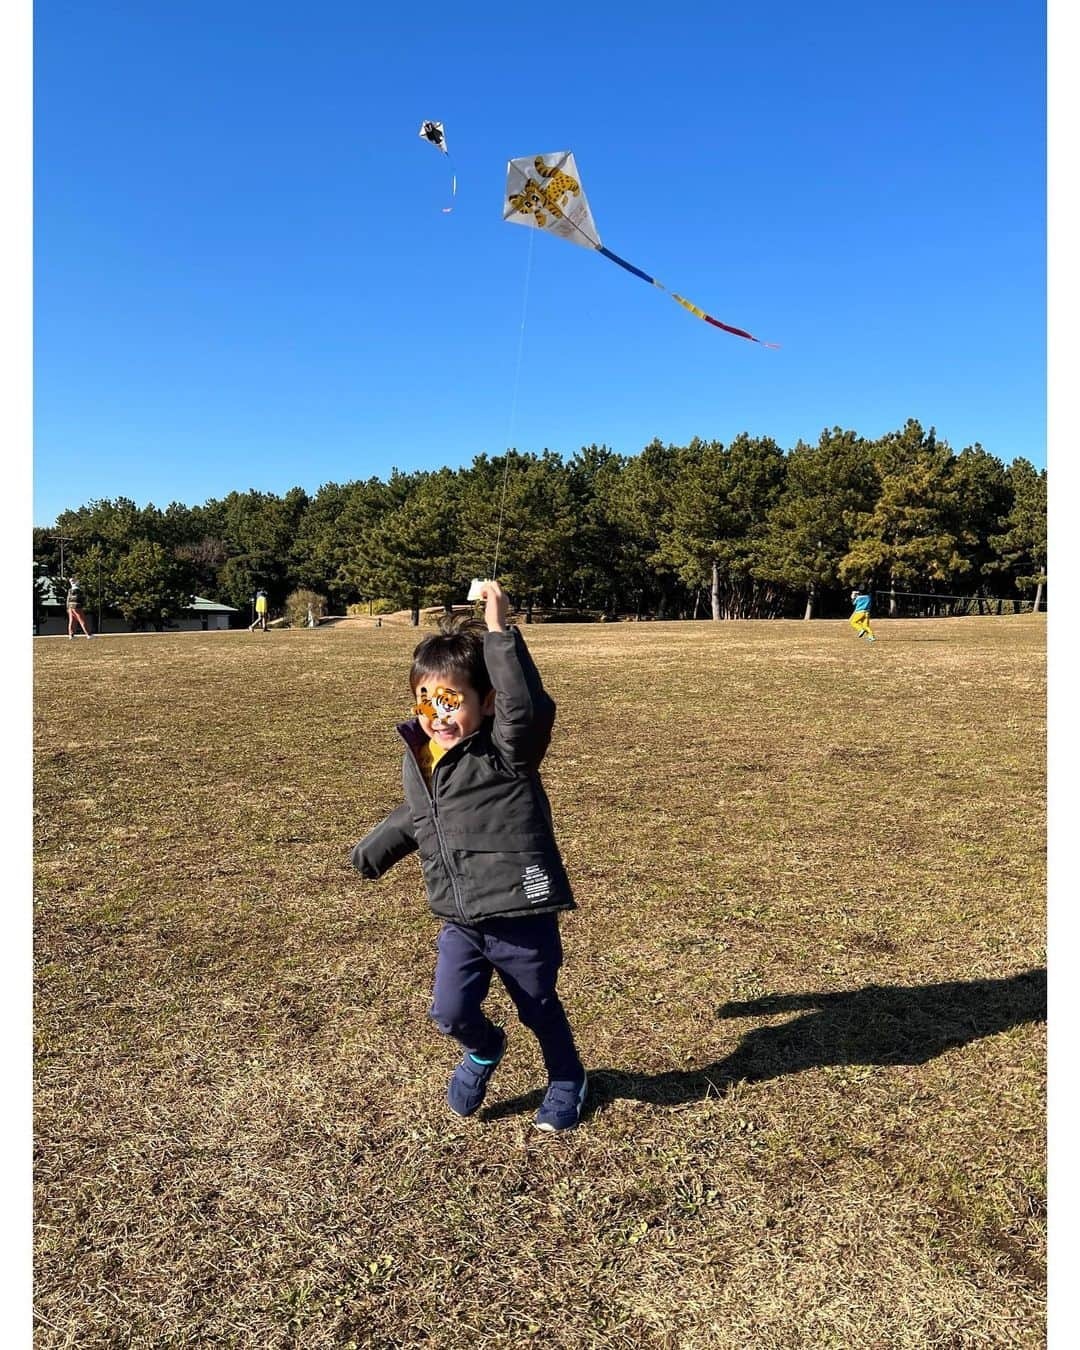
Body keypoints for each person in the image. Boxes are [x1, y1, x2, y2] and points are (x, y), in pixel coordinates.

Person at [350, 580, 587, 1132]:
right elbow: (420, 814)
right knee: (450, 1011)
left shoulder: (508, 751)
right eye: (426, 702)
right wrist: (373, 851)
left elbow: (526, 710)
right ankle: (483, 1050)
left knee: (537, 1004)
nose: (438, 715)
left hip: (519, 909)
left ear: (487, 702)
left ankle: (567, 1077)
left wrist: (499, 630)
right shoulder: (423, 756)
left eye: (452, 701)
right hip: (459, 916)